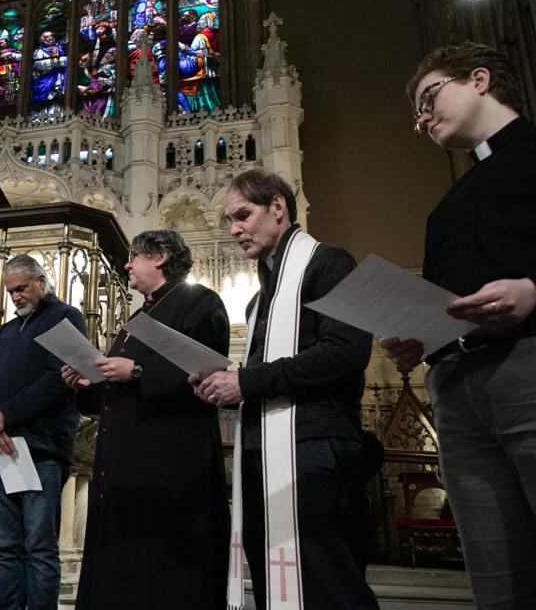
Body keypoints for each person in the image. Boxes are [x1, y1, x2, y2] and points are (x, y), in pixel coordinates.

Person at [382, 41, 536, 609]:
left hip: (526, 368)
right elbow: (448, 302)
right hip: (457, 386)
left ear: (478, 79)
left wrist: (533, 292)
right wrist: (416, 336)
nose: (422, 120)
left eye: (428, 97)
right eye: (417, 113)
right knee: (499, 579)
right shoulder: (447, 206)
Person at [194, 168, 378, 609]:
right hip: (261, 450)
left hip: (313, 446)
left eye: (242, 215)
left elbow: (346, 352)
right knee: (274, 584)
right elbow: (263, 373)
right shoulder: (260, 300)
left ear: (278, 208)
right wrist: (221, 381)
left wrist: (245, 381)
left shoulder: (330, 263)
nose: (234, 229)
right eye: (228, 221)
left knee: (327, 585)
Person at [61, 230, 231, 609]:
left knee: (163, 575)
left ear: (160, 257)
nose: (126, 265)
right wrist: (87, 382)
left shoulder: (199, 302)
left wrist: (137, 370)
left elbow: (206, 372)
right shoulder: (139, 317)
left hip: (170, 466)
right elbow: (116, 386)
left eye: (133, 256)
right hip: (125, 466)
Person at [0, 253, 84, 610]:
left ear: (41, 282)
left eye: (22, 288)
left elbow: (59, 380)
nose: (16, 296)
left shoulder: (65, 318)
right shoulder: (5, 331)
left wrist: (5, 416)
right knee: (6, 548)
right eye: (10, 292)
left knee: (39, 548)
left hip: (41, 449)